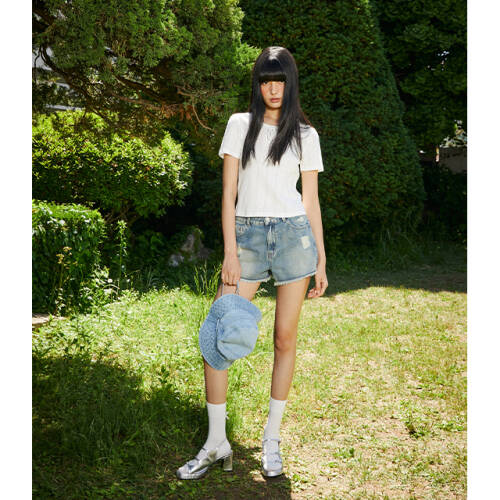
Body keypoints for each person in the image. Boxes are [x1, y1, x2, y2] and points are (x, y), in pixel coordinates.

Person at [176, 46, 328, 480]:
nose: (273, 88)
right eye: (266, 80)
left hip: (295, 237)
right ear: (258, 85)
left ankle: (271, 439)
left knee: (284, 339)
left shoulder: (305, 134)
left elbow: (311, 201)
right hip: (246, 237)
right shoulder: (239, 125)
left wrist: (321, 258)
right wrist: (229, 251)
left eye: (280, 80)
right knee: (218, 335)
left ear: (290, 83)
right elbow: (228, 194)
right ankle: (216, 442)